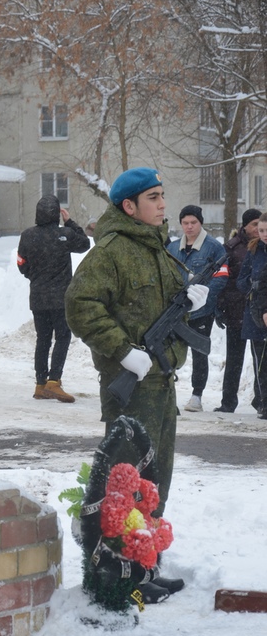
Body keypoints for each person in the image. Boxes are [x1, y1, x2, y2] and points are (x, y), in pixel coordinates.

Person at [65, 167, 208, 519]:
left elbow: (161, 313)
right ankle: (119, 570)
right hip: (131, 389)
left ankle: (146, 561)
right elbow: (79, 305)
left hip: (162, 383)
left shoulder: (157, 249)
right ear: (129, 206)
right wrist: (122, 350)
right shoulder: (111, 252)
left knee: (157, 481)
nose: (163, 204)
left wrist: (188, 304)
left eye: (162, 195)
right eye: (153, 197)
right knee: (126, 484)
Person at [17, 195, 90, 403]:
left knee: (43, 339)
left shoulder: (27, 235)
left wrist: (35, 276)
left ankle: (40, 384)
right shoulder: (65, 234)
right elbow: (85, 243)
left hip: (38, 297)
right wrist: (69, 222)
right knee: (63, 337)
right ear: (57, 213)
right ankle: (54, 381)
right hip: (60, 298)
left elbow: (22, 264)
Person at [167, 205, 228, 412]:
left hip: (202, 311)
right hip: (175, 311)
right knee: (168, 351)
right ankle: (167, 392)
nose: (189, 227)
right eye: (185, 223)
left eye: (193, 222)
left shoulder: (214, 247)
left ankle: (197, 395)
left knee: (199, 352)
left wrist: (201, 297)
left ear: (200, 223)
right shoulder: (173, 248)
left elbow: (221, 277)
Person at [214, 209, 261, 413]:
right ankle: (228, 402)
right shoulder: (231, 249)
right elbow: (222, 280)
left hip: (259, 314)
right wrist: (220, 306)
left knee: (261, 360)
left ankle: (261, 401)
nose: (258, 229)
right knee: (234, 360)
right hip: (236, 312)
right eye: (254, 225)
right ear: (244, 226)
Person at [236, 212, 267, 419]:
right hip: (256, 314)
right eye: (262, 230)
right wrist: (252, 287)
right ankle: (263, 402)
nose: (264, 234)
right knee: (261, 363)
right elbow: (241, 280)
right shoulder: (254, 250)